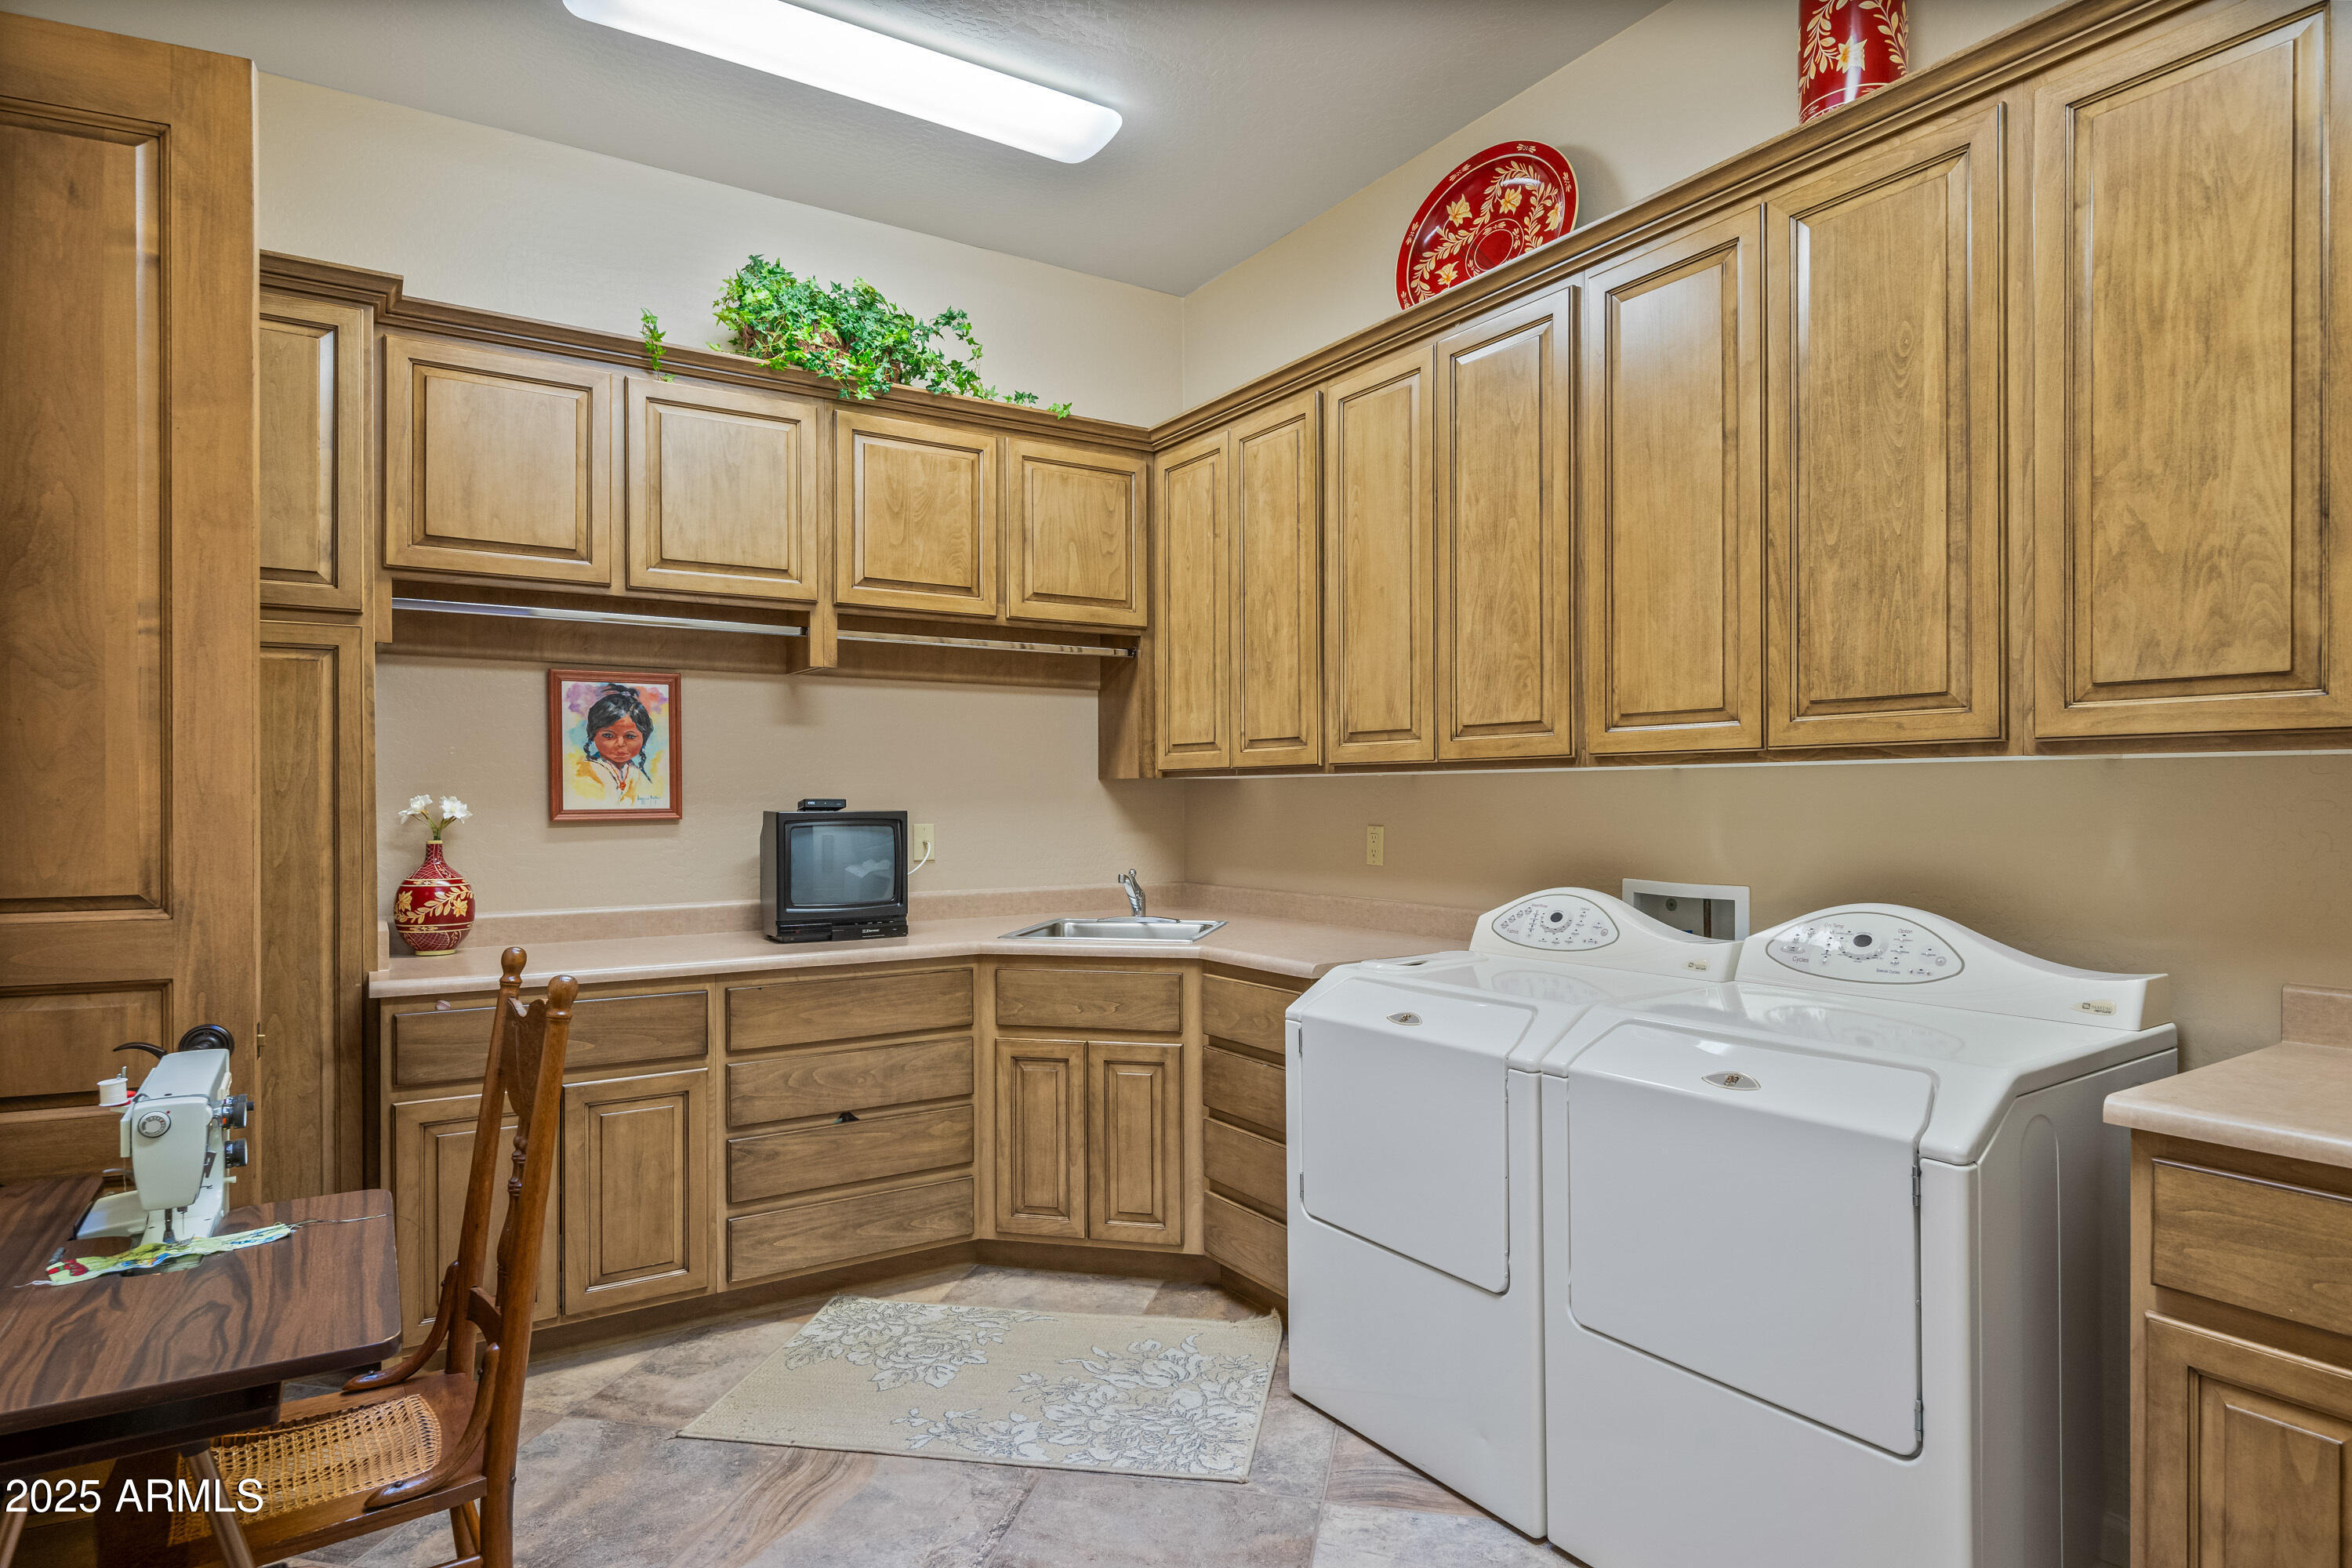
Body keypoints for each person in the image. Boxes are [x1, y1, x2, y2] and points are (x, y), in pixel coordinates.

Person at [571, 682, 662, 806]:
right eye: (608, 736)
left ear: (643, 737)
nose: (620, 744)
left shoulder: (639, 775)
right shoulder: (583, 773)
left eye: (630, 736)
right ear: (593, 735)